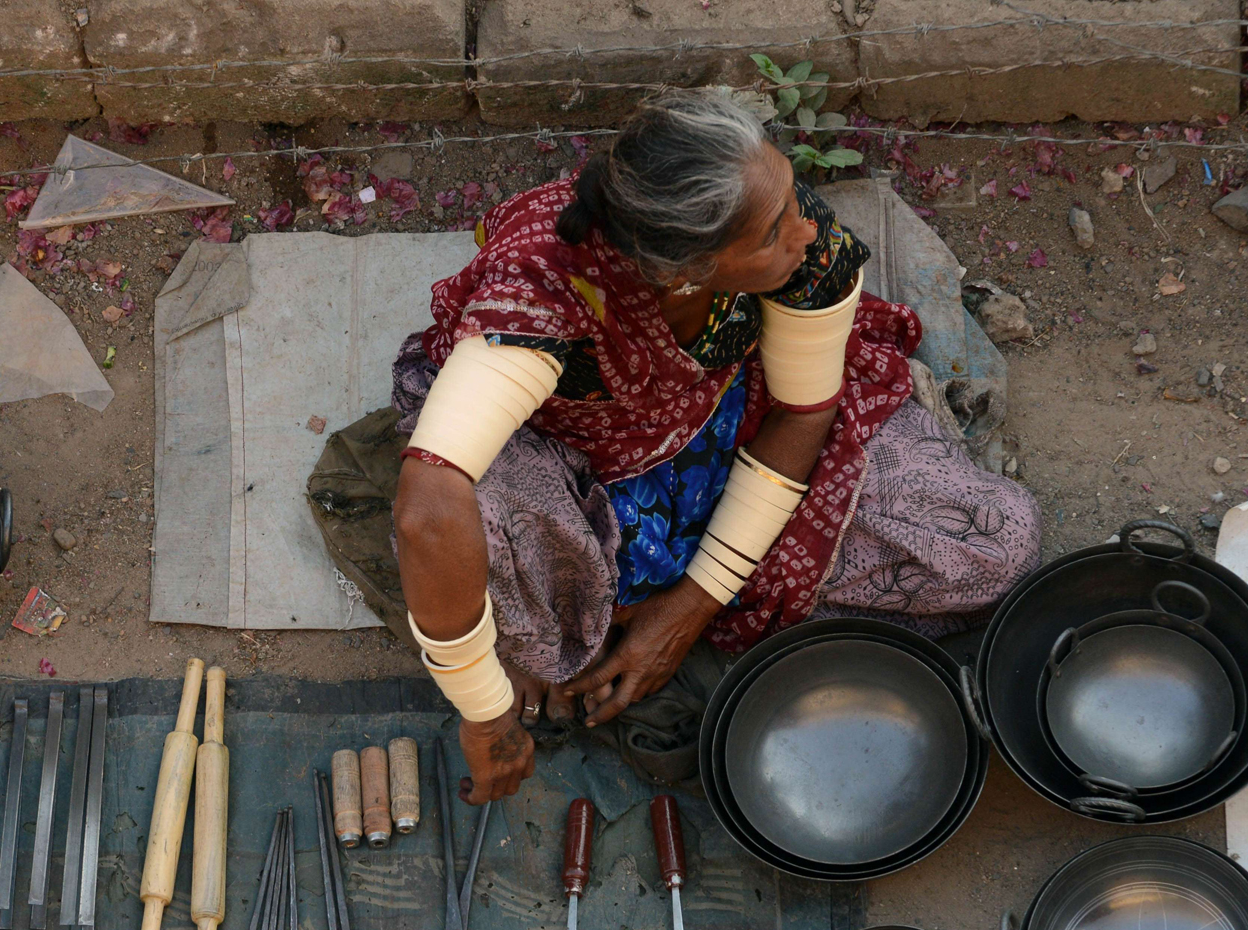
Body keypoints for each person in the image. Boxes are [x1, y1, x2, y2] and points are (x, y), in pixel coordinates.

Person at [390, 89, 1041, 802]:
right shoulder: (539, 300)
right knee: (467, 548)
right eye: (770, 233)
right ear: (687, 272)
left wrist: (693, 603)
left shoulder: (804, 243)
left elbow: (803, 415)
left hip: (731, 420)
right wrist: (484, 710)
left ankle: (621, 622)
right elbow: (428, 508)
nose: (805, 230)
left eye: (789, 198)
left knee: (997, 544)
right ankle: (566, 631)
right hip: (567, 452)